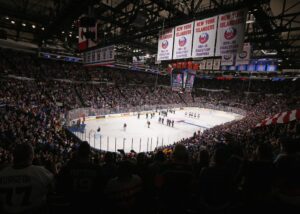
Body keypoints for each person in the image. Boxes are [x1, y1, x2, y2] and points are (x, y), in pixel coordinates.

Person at [0, 143, 54, 214]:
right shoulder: (41, 172)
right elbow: (53, 188)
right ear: (31, 156)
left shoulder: (2, 173)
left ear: (14, 156)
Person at [57, 141, 103, 213]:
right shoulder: (97, 169)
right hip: (90, 207)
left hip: (72, 206)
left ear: (78, 153)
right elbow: (101, 190)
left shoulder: (68, 168)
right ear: (89, 154)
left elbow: (60, 186)